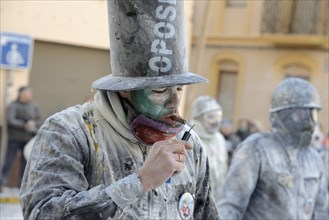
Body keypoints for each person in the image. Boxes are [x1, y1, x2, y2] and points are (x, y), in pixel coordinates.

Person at [20, 1, 219, 219]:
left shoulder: (190, 144)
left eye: (179, 88)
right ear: (127, 90)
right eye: (160, 90)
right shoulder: (69, 132)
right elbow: (43, 213)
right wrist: (140, 182)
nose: (174, 101)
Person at [217, 77, 329, 219]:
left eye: (312, 114)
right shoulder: (256, 148)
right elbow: (231, 204)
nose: (309, 122)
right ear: (283, 114)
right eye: (301, 114)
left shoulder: (314, 158)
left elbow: (322, 211)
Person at [190, 96, 228, 207]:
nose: (216, 122)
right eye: (211, 117)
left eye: (219, 117)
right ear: (198, 118)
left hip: (216, 201)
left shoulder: (219, 139)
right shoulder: (189, 137)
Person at [1, 86, 41, 188]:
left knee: (25, 163)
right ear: (21, 94)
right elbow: (11, 120)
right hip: (15, 138)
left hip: (27, 139)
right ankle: (2, 182)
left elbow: (39, 119)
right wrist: (24, 124)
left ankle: (22, 185)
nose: (30, 96)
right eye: (28, 94)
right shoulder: (13, 106)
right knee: (8, 161)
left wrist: (33, 124)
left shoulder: (33, 106)